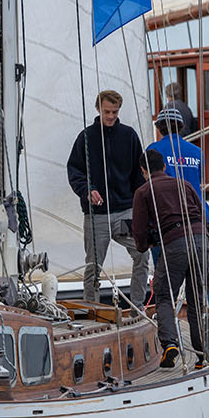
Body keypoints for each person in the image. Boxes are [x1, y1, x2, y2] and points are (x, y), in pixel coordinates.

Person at [131, 149, 209, 368]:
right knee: (198, 298)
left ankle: (170, 344)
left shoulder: (143, 191)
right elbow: (200, 211)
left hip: (175, 243)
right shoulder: (184, 185)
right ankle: (205, 355)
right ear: (164, 167)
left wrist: (143, 245)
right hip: (201, 240)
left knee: (164, 294)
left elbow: (139, 231)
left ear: (143, 171)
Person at [66, 89, 149, 305]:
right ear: (98, 109)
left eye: (114, 111)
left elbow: (139, 174)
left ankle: (137, 306)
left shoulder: (129, 135)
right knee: (93, 266)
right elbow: (74, 171)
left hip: (125, 211)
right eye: (106, 112)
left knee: (142, 255)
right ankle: (92, 309)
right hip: (97, 215)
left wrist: (140, 206)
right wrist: (87, 191)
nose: (111, 116)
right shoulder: (86, 137)